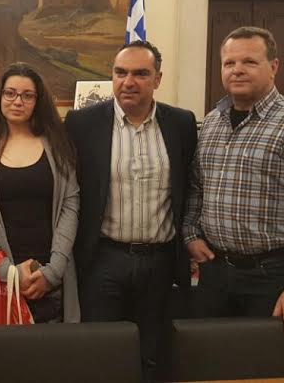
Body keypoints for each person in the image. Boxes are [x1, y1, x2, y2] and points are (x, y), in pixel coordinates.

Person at [183, 26, 284, 347]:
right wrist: (190, 233)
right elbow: (197, 186)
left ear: (274, 67)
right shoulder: (212, 122)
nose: (237, 70)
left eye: (249, 62)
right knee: (211, 359)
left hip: (272, 276)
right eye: (229, 63)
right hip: (215, 272)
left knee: (264, 364)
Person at [66, 40, 198, 382]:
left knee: (155, 356)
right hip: (103, 260)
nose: (128, 82)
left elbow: (190, 187)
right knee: (102, 354)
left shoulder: (181, 124)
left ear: (157, 79)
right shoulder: (82, 124)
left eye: (140, 74)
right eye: (120, 72)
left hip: (161, 262)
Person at [0, 62, 80, 323]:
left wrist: (53, 272)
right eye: (10, 93)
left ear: (38, 101)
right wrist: (8, 272)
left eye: (27, 95)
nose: (18, 101)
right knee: (4, 350)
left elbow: (70, 205)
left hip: (49, 276)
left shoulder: (57, 145)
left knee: (54, 348)